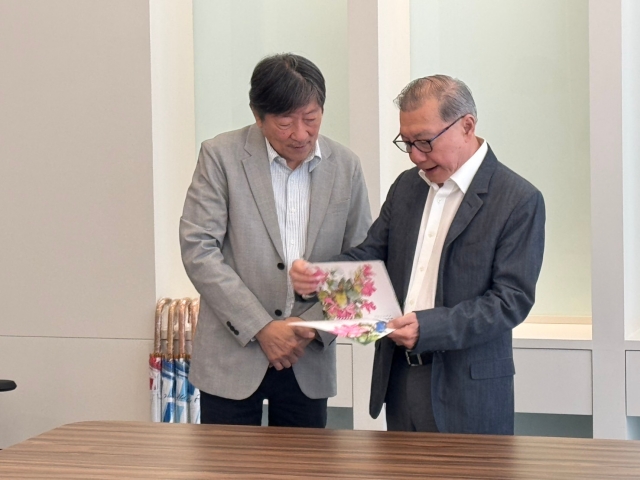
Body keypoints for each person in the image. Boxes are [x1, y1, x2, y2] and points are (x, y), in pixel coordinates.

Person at [290, 75, 545, 434]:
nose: (415, 156)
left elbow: (510, 301)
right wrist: (320, 277)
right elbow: (372, 256)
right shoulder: (408, 186)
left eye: (424, 141)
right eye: (407, 143)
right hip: (398, 377)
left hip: (468, 389)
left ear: (467, 126)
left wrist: (430, 327)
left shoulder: (517, 199)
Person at [180, 54, 371, 428]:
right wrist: (262, 328)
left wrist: (306, 327)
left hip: (307, 356)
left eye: (311, 119)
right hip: (231, 356)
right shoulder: (221, 156)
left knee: (305, 461)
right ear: (258, 115)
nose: (300, 134)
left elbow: (361, 262)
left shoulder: (345, 166)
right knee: (225, 461)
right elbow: (198, 248)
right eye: (285, 122)